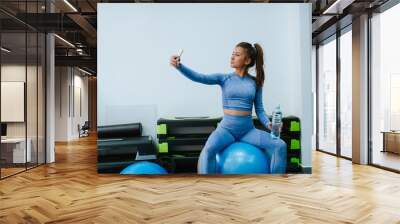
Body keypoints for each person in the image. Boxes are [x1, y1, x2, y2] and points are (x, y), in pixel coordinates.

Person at [170, 42, 287, 174]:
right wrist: (180, 67)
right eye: (232, 54)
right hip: (226, 130)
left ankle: (277, 183)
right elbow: (199, 77)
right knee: (208, 150)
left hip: (248, 131)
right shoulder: (224, 79)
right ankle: (207, 188)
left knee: (280, 145)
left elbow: (259, 109)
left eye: (237, 55)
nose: (232, 57)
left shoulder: (255, 83)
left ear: (247, 60)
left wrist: (268, 124)